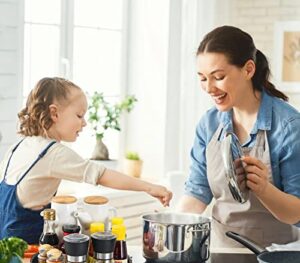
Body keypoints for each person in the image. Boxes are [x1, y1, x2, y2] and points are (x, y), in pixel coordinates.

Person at [0, 77, 172, 244]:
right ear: (54, 113)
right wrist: (150, 187)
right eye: (79, 115)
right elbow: (102, 175)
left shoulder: (19, 146)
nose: (84, 123)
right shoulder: (53, 152)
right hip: (26, 247)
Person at [177, 25, 300, 248]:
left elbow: (296, 213)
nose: (209, 88)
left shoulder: (289, 127)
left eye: (218, 77)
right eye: (203, 78)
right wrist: (171, 224)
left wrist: (264, 189)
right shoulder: (209, 124)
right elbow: (197, 191)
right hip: (221, 252)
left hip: (275, 259)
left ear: (248, 69)